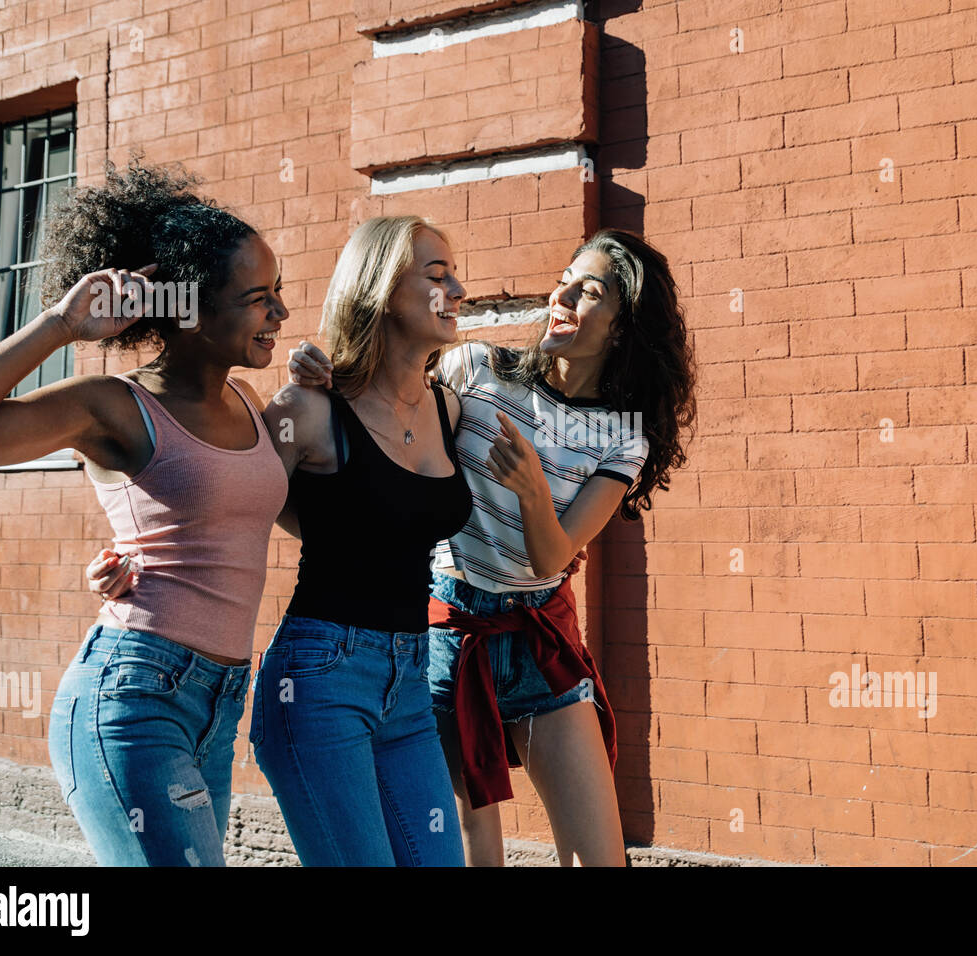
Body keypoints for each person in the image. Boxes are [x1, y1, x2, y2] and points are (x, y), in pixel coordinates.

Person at [286, 227, 697, 865]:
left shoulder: (622, 437)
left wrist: (533, 486)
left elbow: (554, 557)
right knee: (471, 853)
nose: (562, 294)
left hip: (540, 644)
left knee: (601, 858)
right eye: (565, 277)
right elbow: (386, 409)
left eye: (589, 292)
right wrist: (327, 374)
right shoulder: (474, 369)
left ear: (622, 328)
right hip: (447, 637)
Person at [88, 216, 477, 865]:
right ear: (378, 288)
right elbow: (232, 496)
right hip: (322, 680)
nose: (457, 289)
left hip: (412, 680)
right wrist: (131, 552)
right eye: (436, 276)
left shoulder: (450, 409)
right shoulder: (309, 408)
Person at [0, 160, 290, 866]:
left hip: (218, 704)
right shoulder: (115, 407)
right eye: (257, 298)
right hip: (134, 695)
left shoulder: (253, 405)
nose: (278, 312)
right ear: (190, 310)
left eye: (276, 292)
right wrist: (61, 326)